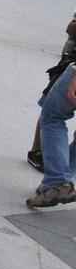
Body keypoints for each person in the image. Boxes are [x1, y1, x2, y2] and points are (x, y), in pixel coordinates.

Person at [28, 15, 76, 171]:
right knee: (50, 107)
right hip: (70, 63)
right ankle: (37, 151)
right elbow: (71, 28)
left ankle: (62, 168)